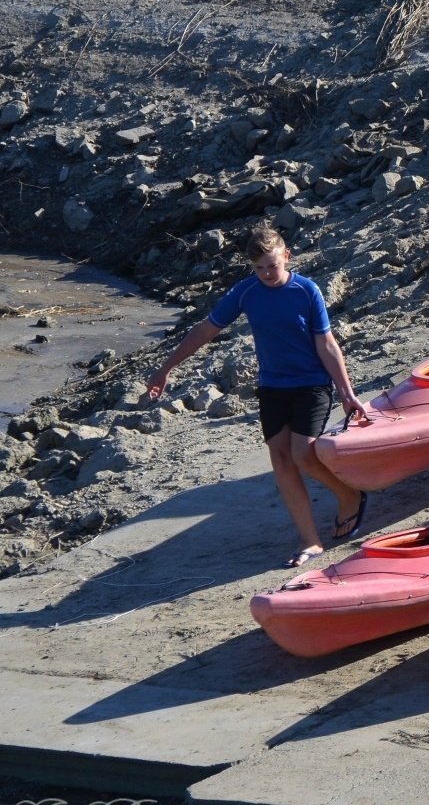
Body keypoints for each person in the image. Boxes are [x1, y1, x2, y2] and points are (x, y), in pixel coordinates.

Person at [147, 223, 369, 567]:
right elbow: (205, 330)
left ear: (287, 257)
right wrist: (166, 368)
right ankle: (311, 541)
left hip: (312, 384)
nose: (267, 273)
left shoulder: (306, 291)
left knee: (304, 455)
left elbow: (326, 344)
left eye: (273, 265)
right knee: (281, 460)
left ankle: (350, 496)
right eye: (259, 268)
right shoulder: (246, 292)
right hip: (273, 388)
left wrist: (346, 393)